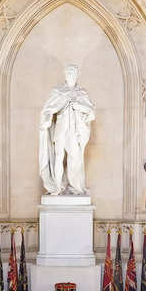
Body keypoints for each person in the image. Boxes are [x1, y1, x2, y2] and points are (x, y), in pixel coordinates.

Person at [38, 64, 96, 195]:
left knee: (74, 158)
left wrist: (78, 106)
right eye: (68, 72)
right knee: (58, 156)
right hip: (61, 129)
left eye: (73, 72)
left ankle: (76, 186)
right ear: (65, 74)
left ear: (77, 74)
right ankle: (57, 187)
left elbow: (91, 111)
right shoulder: (58, 91)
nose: (71, 74)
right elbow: (47, 109)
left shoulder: (82, 93)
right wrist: (46, 120)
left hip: (74, 132)